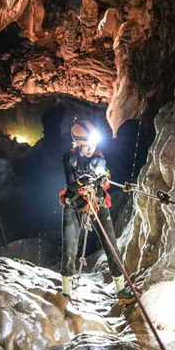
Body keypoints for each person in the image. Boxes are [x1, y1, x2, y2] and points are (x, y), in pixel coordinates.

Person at [59, 119, 134, 304]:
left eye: (93, 144)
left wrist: (101, 175)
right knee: (70, 247)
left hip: (97, 201)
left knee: (111, 245)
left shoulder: (99, 158)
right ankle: (66, 292)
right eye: (87, 145)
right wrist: (81, 181)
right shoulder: (69, 158)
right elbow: (70, 184)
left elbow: (100, 167)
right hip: (75, 203)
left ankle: (121, 290)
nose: (91, 148)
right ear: (78, 143)